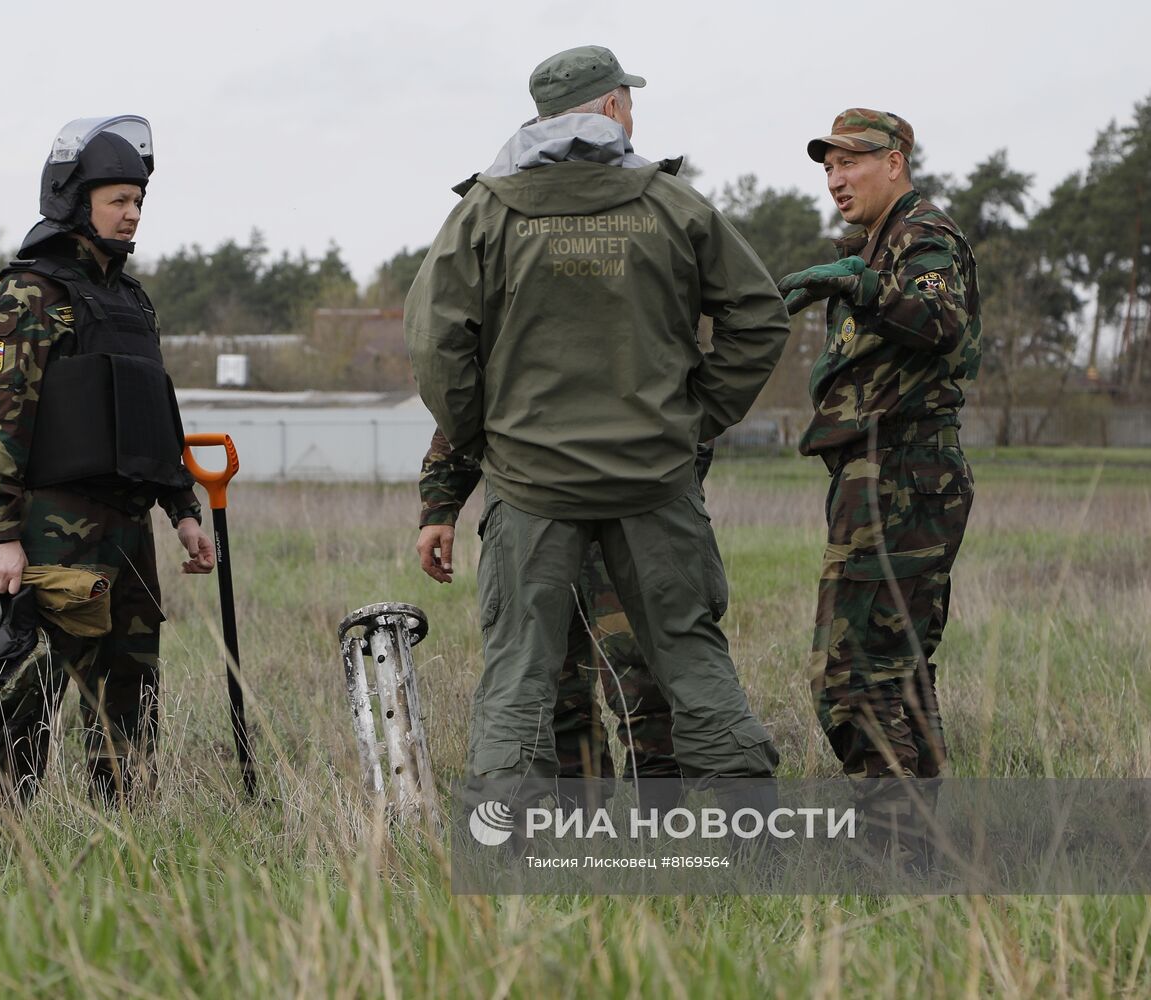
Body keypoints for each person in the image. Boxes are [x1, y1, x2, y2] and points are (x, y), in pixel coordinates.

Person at [404, 45, 789, 795]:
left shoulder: (483, 213)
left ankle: (507, 846)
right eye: (629, 100)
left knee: (519, 668)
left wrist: (486, 441)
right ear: (612, 107)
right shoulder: (674, 206)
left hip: (531, 488)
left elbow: (434, 344)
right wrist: (695, 417)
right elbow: (759, 317)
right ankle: (749, 841)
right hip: (655, 481)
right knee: (690, 654)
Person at [0, 116, 213, 807]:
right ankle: (4, 834)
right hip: (49, 527)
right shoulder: (29, 294)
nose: (132, 215)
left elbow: (155, 411)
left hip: (128, 527)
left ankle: (121, 830)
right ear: (74, 201)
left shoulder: (130, 301)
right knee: (29, 688)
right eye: (117, 201)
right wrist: (1, 534)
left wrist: (183, 510)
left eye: (138, 202)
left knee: (130, 688)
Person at [777, 109, 981, 791]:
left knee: (855, 669)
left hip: (899, 468)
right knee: (897, 667)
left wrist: (855, 284)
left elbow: (938, 319)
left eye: (850, 162)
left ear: (893, 162)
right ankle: (920, 853)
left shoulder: (922, 234)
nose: (835, 179)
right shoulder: (877, 242)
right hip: (889, 470)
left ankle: (891, 847)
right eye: (828, 167)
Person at [417, 429, 718, 784]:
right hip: (536, 511)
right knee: (555, 680)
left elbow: (697, 402)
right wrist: (440, 503)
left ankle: (661, 817)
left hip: (634, 508)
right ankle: (582, 816)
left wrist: (672, 483)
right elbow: (466, 401)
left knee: (645, 674)